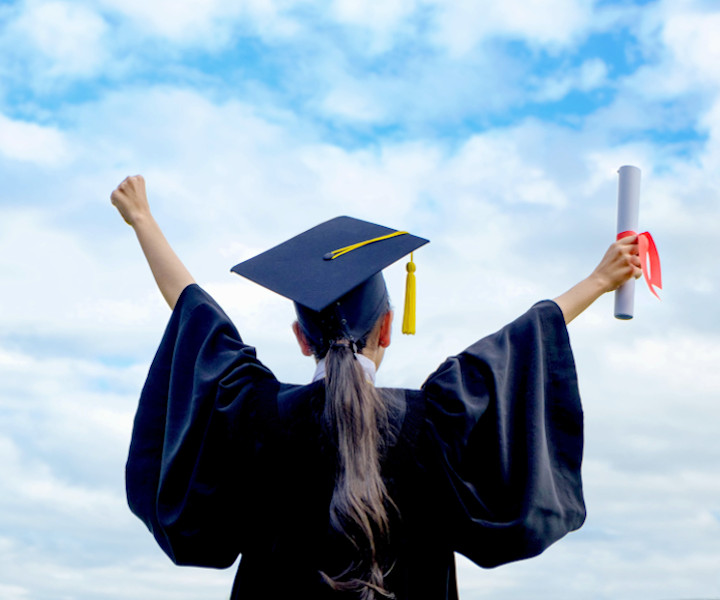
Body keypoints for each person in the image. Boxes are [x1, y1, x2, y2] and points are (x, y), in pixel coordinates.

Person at [111, 175, 642, 600]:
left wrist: (143, 222)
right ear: (387, 327)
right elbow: (517, 348)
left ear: (301, 339)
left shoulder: (253, 413)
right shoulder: (437, 420)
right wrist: (599, 280)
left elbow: (197, 321)